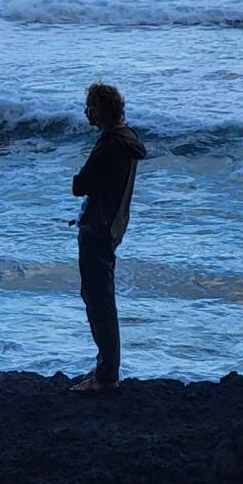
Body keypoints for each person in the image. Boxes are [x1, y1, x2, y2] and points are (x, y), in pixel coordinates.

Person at [70, 82, 146, 394]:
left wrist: (81, 179)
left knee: (99, 300)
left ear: (100, 110)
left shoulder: (110, 145)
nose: (86, 111)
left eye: (89, 106)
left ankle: (105, 375)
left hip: (98, 228)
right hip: (112, 225)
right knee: (99, 297)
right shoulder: (127, 140)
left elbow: (80, 184)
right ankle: (105, 366)